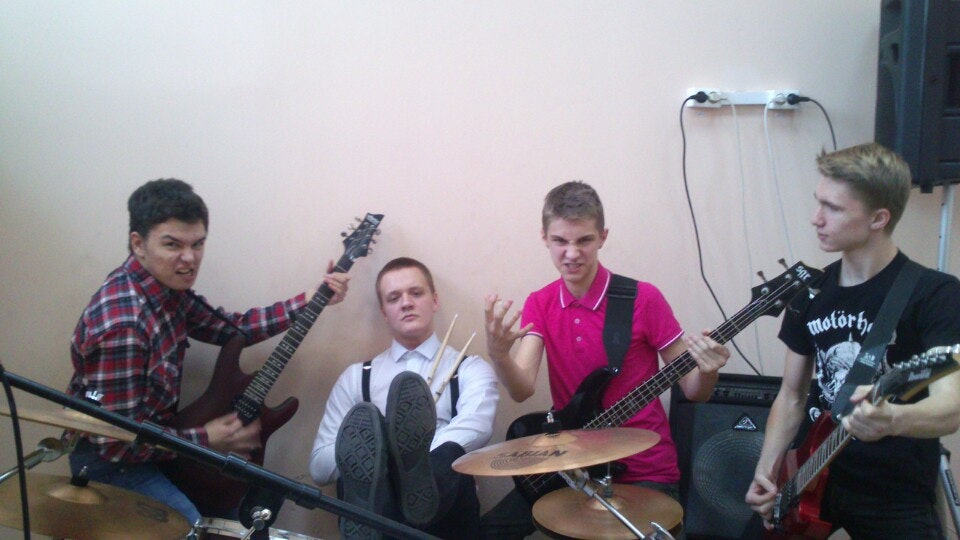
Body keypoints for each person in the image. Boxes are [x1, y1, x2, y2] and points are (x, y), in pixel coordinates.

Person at [67, 178, 350, 526]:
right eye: (172, 245)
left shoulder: (166, 290)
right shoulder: (124, 325)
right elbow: (115, 442)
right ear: (138, 244)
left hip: (160, 450)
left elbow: (232, 330)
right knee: (190, 529)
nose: (189, 259)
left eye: (198, 244)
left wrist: (310, 300)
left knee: (235, 521)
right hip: (113, 464)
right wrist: (206, 439)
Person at [480, 180, 731, 539]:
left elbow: (695, 391)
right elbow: (521, 389)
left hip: (645, 468)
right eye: (560, 241)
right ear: (544, 238)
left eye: (584, 240)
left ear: (602, 237)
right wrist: (499, 354)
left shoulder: (644, 298)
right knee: (489, 531)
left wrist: (708, 370)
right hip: (574, 465)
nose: (571, 254)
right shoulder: (541, 302)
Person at [744, 143, 960, 539]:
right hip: (807, 474)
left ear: (879, 218)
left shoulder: (935, 294)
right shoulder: (810, 292)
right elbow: (791, 396)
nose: (816, 218)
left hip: (893, 491)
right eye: (818, 202)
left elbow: (951, 408)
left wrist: (894, 419)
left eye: (833, 208)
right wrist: (767, 468)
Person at [309, 257, 499, 540]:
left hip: (447, 515)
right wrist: (383, 455)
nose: (406, 303)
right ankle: (379, 497)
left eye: (416, 293)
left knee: (449, 455)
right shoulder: (355, 377)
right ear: (384, 312)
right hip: (378, 512)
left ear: (435, 300)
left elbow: (477, 427)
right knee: (363, 456)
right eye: (394, 298)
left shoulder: (469, 368)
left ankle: (411, 486)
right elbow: (319, 466)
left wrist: (415, 457)